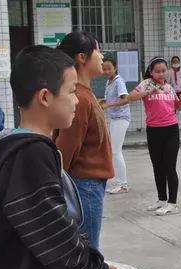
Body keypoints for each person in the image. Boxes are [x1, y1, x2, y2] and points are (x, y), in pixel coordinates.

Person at [0, 45, 174, 269]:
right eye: (70, 92)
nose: (76, 101)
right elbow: (55, 242)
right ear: (45, 97)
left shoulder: (23, 146)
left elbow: (54, 230)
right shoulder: (30, 155)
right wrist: (95, 265)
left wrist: (98, 264)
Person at [54, 31, 114, 250]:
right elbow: (65, 149)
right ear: (82, 57)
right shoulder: (79, 98)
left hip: (89, 186)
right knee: (87, 252)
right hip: (83, 186)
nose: (101, 55)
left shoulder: (84, 94)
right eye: (97, 50)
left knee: (87, 249)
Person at [126, 57, 181, 216]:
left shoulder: (169, 87)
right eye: (157, 71)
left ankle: (172, 203)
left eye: (163, 71)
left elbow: (177, 107)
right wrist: (147, 92)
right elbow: (130, 97)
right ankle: (161, 199)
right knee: (157, 165)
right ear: (151, 72)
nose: (161, 74)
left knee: (169, 166)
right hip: (153, 130)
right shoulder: (146, 84)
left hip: (171, 129)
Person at [101, 58, 131, 195]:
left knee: (116, 151)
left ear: (115, 68)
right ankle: (120, 181)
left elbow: (125, 99)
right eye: (104, 68)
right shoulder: (109, 81)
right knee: (114, 150)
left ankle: (122, 184)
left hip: (121, 118)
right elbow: (110, 99)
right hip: (114, 118)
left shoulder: (119, 81)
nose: (106, 71)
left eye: (109, 68)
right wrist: (102, 102)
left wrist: (108, 105)